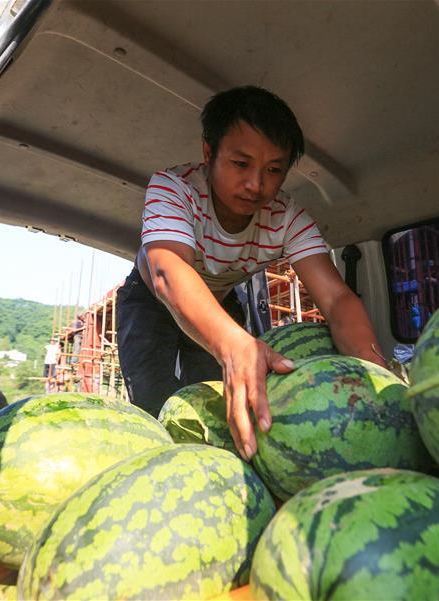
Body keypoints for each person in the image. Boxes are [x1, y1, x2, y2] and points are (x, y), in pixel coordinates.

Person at [117, 86, 386, 461]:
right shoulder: (173, 188)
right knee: (154, 403)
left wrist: (375, 376)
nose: (256, 185)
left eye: (274, 170)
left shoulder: (287, 218)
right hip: (148, 301)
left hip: (220, 303)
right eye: (241, 164)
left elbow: (337, 299)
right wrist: (232, 343)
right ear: (209, 153)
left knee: (216, 408)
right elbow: (168, 270)